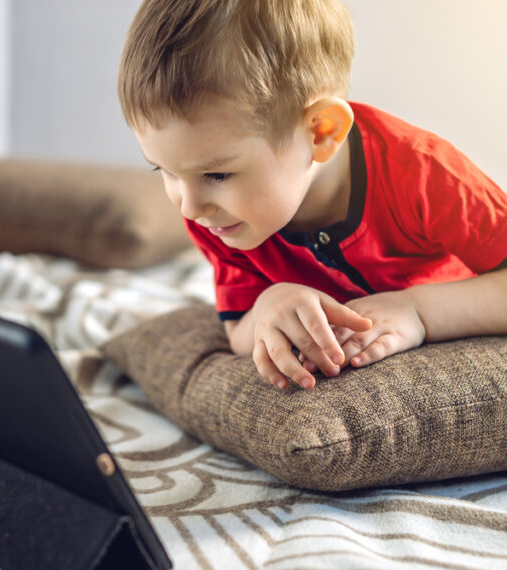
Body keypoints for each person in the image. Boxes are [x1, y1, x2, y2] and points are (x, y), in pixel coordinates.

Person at [117, 0, 507, 390]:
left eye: (217, 174)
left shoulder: (423, 173)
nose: (189, 206)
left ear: (322, 132)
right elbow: (237, 327)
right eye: (164, 169)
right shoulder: (216, 216)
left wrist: (419, 311)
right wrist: (268, 305)